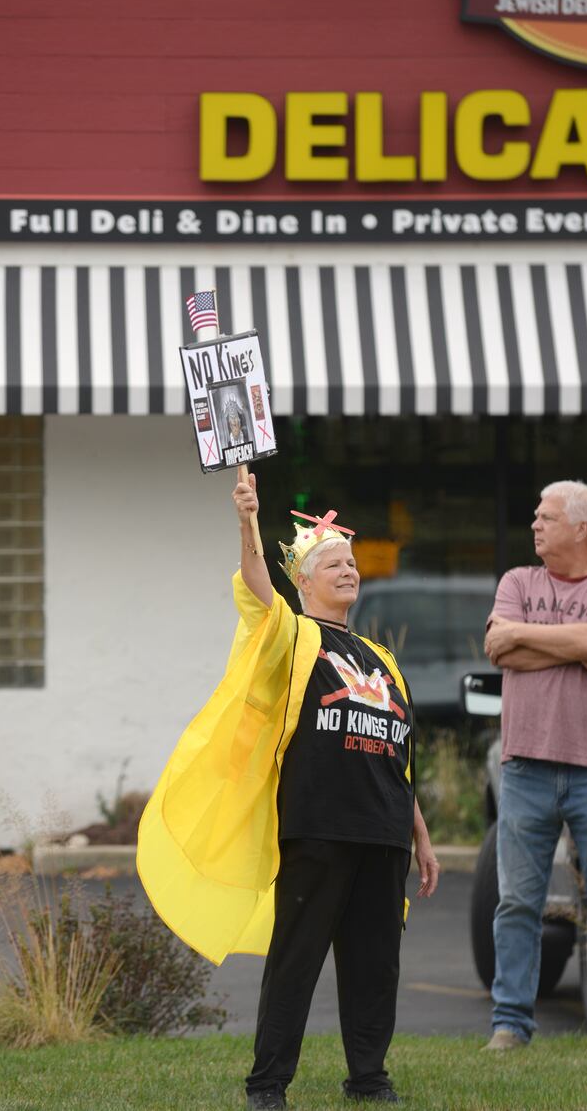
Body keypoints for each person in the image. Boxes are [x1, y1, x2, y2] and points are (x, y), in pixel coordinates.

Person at [137, 475, 439, 1108]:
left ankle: (369, 1079)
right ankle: (267, 1085)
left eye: (352, 562)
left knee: (375, 967)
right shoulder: (292, 634)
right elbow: (256, 585)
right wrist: (248, 521)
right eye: (333, 563)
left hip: (383, 833)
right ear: (303, 581)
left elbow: (398, 755)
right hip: (319, 826)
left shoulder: (383, 657)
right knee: (296, 962)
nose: (348, 571)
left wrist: (420, 834)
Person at [484, 479, 587, 1050]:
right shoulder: (517, 581)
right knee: (517, 902)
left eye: (546, 517)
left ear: (580, 528)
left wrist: (531, 637)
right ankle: (510, 1024)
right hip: (525, 768)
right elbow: (498, 648)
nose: (535, 525)